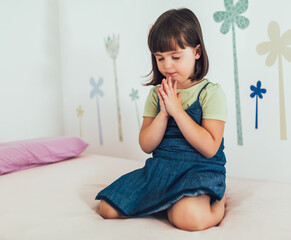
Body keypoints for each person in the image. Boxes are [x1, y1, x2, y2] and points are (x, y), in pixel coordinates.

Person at [95, 8, 228, 231]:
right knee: (108, 208)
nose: (167, 65)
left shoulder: (210, 93)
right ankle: (168, 199)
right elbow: (146, 145)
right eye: (160, 58)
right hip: (161, 169)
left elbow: (210, 148)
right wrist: (164, 114)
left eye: (175, 57)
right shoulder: (156, 95)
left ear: (196, 52)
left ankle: (218, 204)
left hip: (199, 170)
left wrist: (178, 111)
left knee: (186, 218)